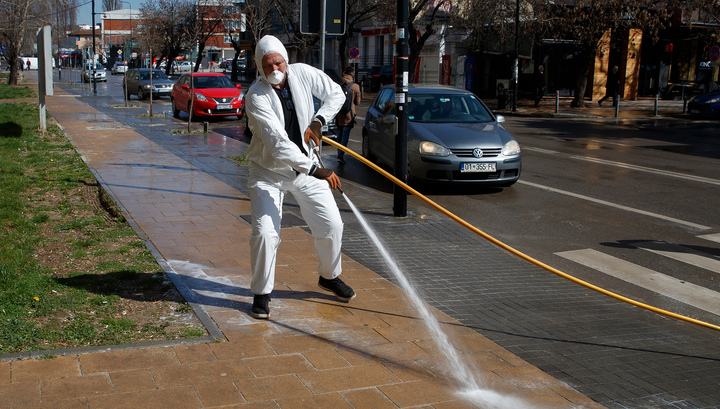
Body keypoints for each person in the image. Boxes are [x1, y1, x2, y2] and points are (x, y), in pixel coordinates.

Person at [244, 35, 355, 320]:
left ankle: (329, 276)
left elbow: (336, 94)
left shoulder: (303, 73)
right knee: (266, 233)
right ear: (260, 67)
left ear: (286, 60)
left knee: (332, 224)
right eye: (267, 65)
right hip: (268, 172)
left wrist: (319, 121)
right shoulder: (256, 96)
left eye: (278, 62)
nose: (274, 69)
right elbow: (278, 143)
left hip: (304, 170)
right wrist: (317, 169)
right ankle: (261, 293)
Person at [336, 66, 361, 164]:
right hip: (349, 114)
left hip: (339, 114)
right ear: (352, 75)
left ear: (343, 74)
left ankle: (338, 153)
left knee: (339, 134)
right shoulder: (355, 86)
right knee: (345, 136)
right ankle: (340, 156)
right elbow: (357, 102)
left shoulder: (338, 84)